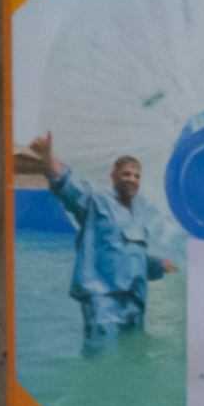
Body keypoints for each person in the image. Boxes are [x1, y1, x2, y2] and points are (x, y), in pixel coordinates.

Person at [22, 132, 181, 350]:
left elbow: (131, 256)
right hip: (103, 303)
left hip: (134, 302)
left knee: (133, 357)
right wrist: (48, 157)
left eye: (136, 176)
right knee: (101, 357)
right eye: (126, 174)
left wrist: (159, 265)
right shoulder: (96, 201)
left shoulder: (139, 214)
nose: (132, 179)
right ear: (113, 176)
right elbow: (67, 186)